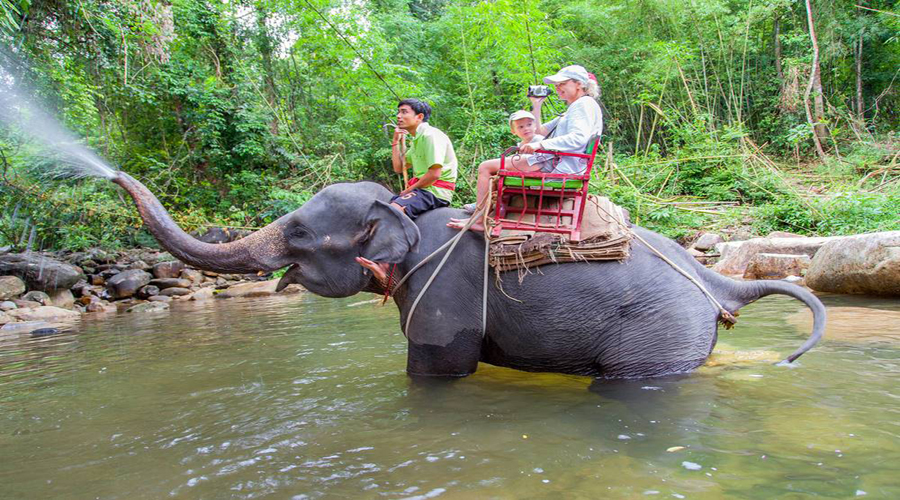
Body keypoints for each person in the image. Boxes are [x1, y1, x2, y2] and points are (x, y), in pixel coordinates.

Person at [448, 65, 603, 232]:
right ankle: (488, 208)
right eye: (556, 85)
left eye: (562, 84)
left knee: (485, 167)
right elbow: (540, 130)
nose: (557, 88)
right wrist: (536, 105)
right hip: (555, 159)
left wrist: (538, 145)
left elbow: (578, 138)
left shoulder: (583, 105)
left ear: (578, 84)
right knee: (496, 165)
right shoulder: (573, 108)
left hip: (557, 164)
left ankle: (478, 220)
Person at [356, 98, 458, 282]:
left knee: (393, 211)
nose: (398, 116)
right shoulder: (416, 139)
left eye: (404, 112)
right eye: (398, 112)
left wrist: (409, 189)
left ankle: (384, 265)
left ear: (419, 117)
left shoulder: (430, 136)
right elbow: (398, 166)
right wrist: (395, 141)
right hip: (423, 189)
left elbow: (435, 173)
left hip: (434, 190)